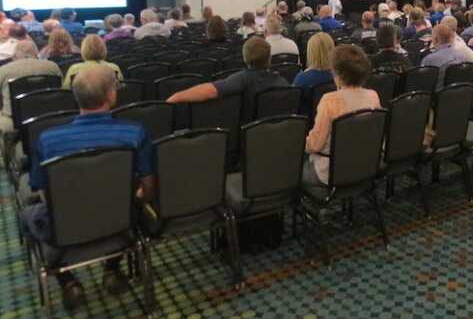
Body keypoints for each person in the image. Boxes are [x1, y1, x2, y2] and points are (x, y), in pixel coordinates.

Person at [21, 65, 154, 311]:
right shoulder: (135, 133)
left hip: (64, 230)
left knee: (27, 214)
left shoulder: (47, 140)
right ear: (111, 96)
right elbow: (147, 190)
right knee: (134, 207)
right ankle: (112, 268)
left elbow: (42, 193)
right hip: (120, 223)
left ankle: (68, 281)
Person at [303, 45, 380, 187]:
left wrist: (298, 143)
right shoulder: (373, 96)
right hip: (365, 165)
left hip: (332, 172)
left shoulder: (329, 100)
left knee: (294, 169)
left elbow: (314, 145)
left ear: (338, 73)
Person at [167, 37, 287, 107]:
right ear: (269, 58)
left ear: (245, 58)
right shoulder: (283, 83)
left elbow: (209, 91)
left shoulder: (244, 79)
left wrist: (177, 97)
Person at [0, 41, 61, 132]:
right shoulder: (52, 67)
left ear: (15, 55)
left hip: (12, 122)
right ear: (36, 53)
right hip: (48, 117)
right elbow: (60, 91)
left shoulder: (3, 70)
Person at [293, 33, 335, 115]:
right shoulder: (341, 76)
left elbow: (294, 105)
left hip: (311, 123)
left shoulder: (302, 79)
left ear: (310, 52)